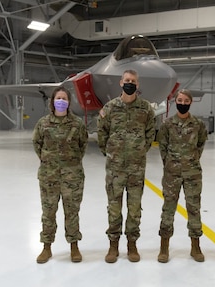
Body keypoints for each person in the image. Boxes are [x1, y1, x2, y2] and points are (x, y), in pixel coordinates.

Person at [97, 69, 155, 263]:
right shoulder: (111, 107)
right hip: (114, 169)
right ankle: (113, 245)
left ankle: (132, 244)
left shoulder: (146, 109)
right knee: (114, 208)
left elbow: (150, 134)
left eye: (133, 81)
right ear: (121, 83)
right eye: (127, 80)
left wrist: (138, 152)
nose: (130, 83)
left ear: (137, 85)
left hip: (136, 168)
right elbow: (102, 133)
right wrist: (111, 153)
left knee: (134, 208)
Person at [32, 86, 88, 264]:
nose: (61, 101)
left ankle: (74, 246)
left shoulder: (77, 124)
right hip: (49, 176)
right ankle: (46, 247)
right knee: (48, 212)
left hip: (72, 176)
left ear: (69, 102)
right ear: (53, 101)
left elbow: (82, 145)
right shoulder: (43, 123)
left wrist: (70, 163)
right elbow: (37, 143)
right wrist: (48, 161)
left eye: (64, 98)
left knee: (72, 212)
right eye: (58, 98)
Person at [156, 89, 208, 263]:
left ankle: (195, 246)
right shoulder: (167, 124)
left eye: (186, 101)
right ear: (175, 101)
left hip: (193, 173)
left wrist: (190, 160)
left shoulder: (198, 124)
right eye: (180, 100)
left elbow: (200, 144)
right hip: (172, 173)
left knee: (194, 209)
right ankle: (164, 246)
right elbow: (162, 146)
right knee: (168, 209)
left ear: (190, 103)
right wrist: (171, 163)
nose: (183, 103)